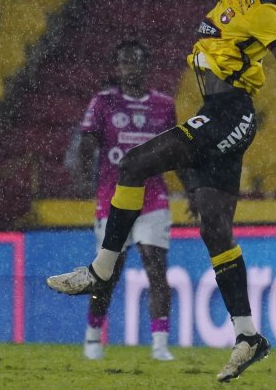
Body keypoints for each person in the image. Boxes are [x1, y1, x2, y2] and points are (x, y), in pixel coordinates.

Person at [47, 0, 276, 382]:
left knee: (133, 164)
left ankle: (101, 269)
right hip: (219, 110)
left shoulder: (265, 11)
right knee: (215, 229)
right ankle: (248, 336)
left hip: (229, 113)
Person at [76, 38, 178, 362]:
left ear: (146, 66)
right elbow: (87, 144)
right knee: (109, 271)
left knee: (156, 266)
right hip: (113, 198)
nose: (130, 67)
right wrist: (83, 170)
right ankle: (93, 336)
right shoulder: (103, 103)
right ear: (116, 68)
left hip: (152, 199)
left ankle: (160, 345)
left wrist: (192, 187)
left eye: (135, 61)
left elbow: (176, 150)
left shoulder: (164, 105)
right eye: (124, 62)